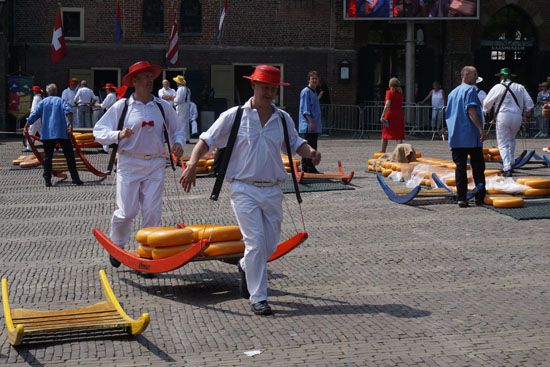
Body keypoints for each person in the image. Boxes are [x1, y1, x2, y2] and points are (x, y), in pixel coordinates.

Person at [179, 65, 321, 316]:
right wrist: (191, 164)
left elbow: (297, 143)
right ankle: (259, 298)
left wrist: (310, 152)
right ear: (253, 86)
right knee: (255, 242)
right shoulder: (234, 116)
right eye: (264, 87)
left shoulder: (282, 118)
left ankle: (245, 265)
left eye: (272, 88)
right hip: (243, 188)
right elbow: (206, 140)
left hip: (274, 189)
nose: (269, 92)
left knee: (268, 245)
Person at [93, 60, 184, 268]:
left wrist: (177, 143)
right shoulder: (122, 106)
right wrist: (118, 134)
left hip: (155, 163)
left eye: (151, 77)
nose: (149, 81)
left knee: (152, 211)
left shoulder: (163, 106)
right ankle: (117, 245)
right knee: (127, 211)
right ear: (134, 81)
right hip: (129, 162)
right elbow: (99, 131)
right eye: (144, 77)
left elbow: (177, 128)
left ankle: (148, 254)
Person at [24, 84, 83, 187]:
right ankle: (75, 178)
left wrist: (26, 125)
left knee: (48, 157)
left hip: (48, 133)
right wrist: (70, 125)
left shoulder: (43, 102)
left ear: (47, 92)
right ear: (56, 92)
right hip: (61, 132)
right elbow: (69, 112)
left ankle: (47, 180)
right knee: (69, 156)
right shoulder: (60, 101)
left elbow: (34, 114)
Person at [445, 66, 486, 208]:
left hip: (456, 137)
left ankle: (461, 197)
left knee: (460, 168)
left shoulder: (452, 93)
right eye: (474, 74)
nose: (476, 77)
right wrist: (481, 128)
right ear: (466, 74)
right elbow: (471, 110)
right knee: (478, 167)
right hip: (471, 136)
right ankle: (480, 196)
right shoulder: (470, 91)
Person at [483, 68, 534, 177]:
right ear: (511, 77)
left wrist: (486, 111)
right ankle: (511, 162)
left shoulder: (498, 87)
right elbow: (530, 104)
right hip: (517, 116)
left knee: (502, 142)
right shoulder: (520, 87)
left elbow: (487, 103)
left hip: (503, 116)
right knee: (511, 139)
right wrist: (525, 113)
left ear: (501, 77)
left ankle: (507, 167)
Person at [299, 71, 322, 173]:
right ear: (309, 80)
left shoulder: (314, 92)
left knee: (313, 146)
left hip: (315, 125)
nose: (314, 80)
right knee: (309, 146)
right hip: (309, 125)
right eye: (312, 78)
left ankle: (310, 167)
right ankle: (306, 167)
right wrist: (311, 122)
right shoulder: (306, 92)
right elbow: (305, 109)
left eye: (316, 79)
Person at [379, 77, 404, 153]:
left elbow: (387, 105)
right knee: (399, 135)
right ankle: (399, 153)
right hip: (399, 115)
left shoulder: (389, 92)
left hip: (390, 115)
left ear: (390, 84)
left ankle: (383, 151)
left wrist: (383, 115)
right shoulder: (400, 93)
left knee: (385, 135)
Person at [24, 86, 44, 152]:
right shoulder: (40, 98)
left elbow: (34, 110)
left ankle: (29, 147)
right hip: (39, 118)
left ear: (35, 91)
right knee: (42, 133)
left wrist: (30, 118)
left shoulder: (36, 98)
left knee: (31, 132)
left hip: (35, 118)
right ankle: (49, 145)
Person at [173, 75, 191, 143]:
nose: (176, 83)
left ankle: (182, 138)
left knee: (180, 122)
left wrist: (173, 99)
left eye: (176, 82)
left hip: (181, 106)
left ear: (178, 82)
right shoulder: (187, 89)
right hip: (186, 106)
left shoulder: (180, 89)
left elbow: (179, 100)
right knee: (185, 122)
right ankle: (187, 138)